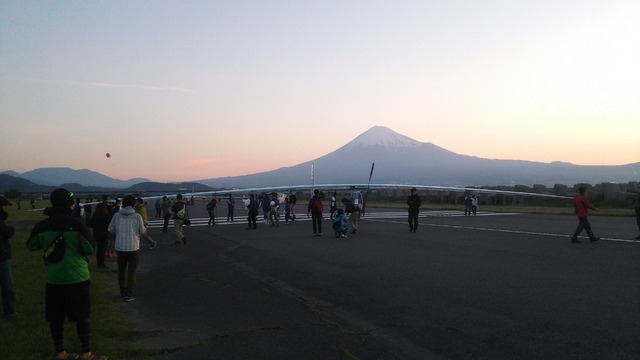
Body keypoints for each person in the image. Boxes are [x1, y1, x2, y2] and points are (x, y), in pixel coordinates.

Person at [27, 188, 107, 360]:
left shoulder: (42, 225)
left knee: (56, 318)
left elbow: (31, 245)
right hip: (77, 276)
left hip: (53, 278)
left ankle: (61, 353)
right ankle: (87, 353)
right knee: (82, 317)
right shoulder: (76, 224)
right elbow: (90, 248)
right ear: (70, 203)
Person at [108, 195, 145, 302]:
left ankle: (122, 291)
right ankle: (129, 294)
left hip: (120, 247)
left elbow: (110, 229)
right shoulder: (137, 216)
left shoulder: (117, 216)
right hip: (133, 246)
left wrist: (119, 233)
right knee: (131, 271)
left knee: (121, 270)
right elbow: (142, 231)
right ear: (133, 204)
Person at [0, 196, 17, 318]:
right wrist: (10, 228)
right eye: (5, 206)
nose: (6, 208)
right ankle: (10, 311)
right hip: (2, 256)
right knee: (7, 285)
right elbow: (7, 232)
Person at [89, 195, 112, 269]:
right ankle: (101, 264)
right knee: (103, 249)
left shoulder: (95, 216)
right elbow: (110, 223)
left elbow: (90, 224)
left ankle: (99, 262)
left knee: (99, 249)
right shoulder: (106, 215)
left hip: (96, 234)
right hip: (104, 234)